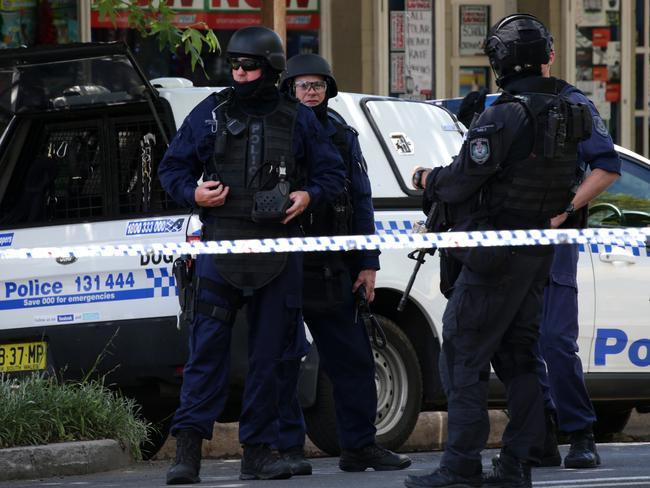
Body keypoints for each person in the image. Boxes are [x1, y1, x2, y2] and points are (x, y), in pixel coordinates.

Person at [404, 14, 594, 488]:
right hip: (535, 252)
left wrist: (429, 179)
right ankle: (516, 465)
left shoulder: (506, 114)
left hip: (493, 255)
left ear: (501, 61)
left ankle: (461, 465)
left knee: (463, 354)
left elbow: (465, 178)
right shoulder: (571, 111)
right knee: (519, 358)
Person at [158, 27, 346, 485]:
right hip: (221, 249)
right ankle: (187, 452)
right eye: (235, 65)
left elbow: (333, 175)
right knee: (205, 355)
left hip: (278, 254)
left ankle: (258, 452)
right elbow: (172, 168)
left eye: (250, 66)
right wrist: (194, 192)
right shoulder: (211, 113)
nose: (240, 74)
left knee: (270, 359)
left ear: (272, 69)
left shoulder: (297, 118)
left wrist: (308, 194)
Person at [274, 53, 412, 476]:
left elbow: (360, 201)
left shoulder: (341, 134)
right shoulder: (274, 129)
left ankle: (360, 447)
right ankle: (286, 450)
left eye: (317, 86)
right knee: (281, 359)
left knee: (354, 360)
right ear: (290, 90)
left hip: (333, 263)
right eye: (303, 86)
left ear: (328, 90)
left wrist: (367, 265)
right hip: (282, 263)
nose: (311, 92)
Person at [534, 34, 620, 469]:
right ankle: (539, 432)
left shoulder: (572, 103)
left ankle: (580, 431)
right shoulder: (499, 106)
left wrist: (566, 208)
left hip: (555, 240)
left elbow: (607, 166)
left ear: (551, 55)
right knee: (518, 345)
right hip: (505, 243)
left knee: (554, 339)